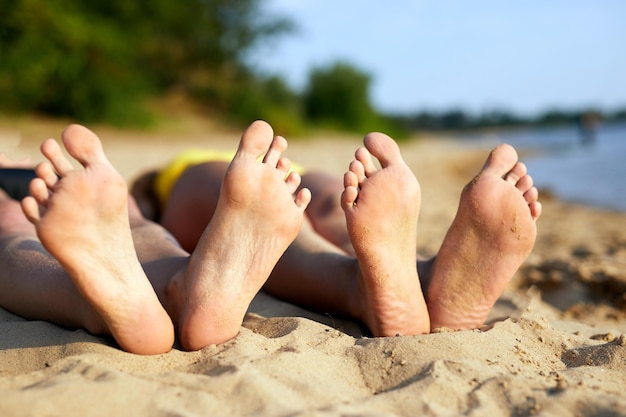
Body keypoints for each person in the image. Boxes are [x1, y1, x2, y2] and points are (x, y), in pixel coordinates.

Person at [0, 120, 541, 355]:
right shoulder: (164, 177)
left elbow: (139, 219)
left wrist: (132, 217)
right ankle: (391, 278)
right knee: (329, 202)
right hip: (203, 180)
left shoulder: (132, 192)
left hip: (175, 198)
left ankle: (160, 289)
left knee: (131, 233)